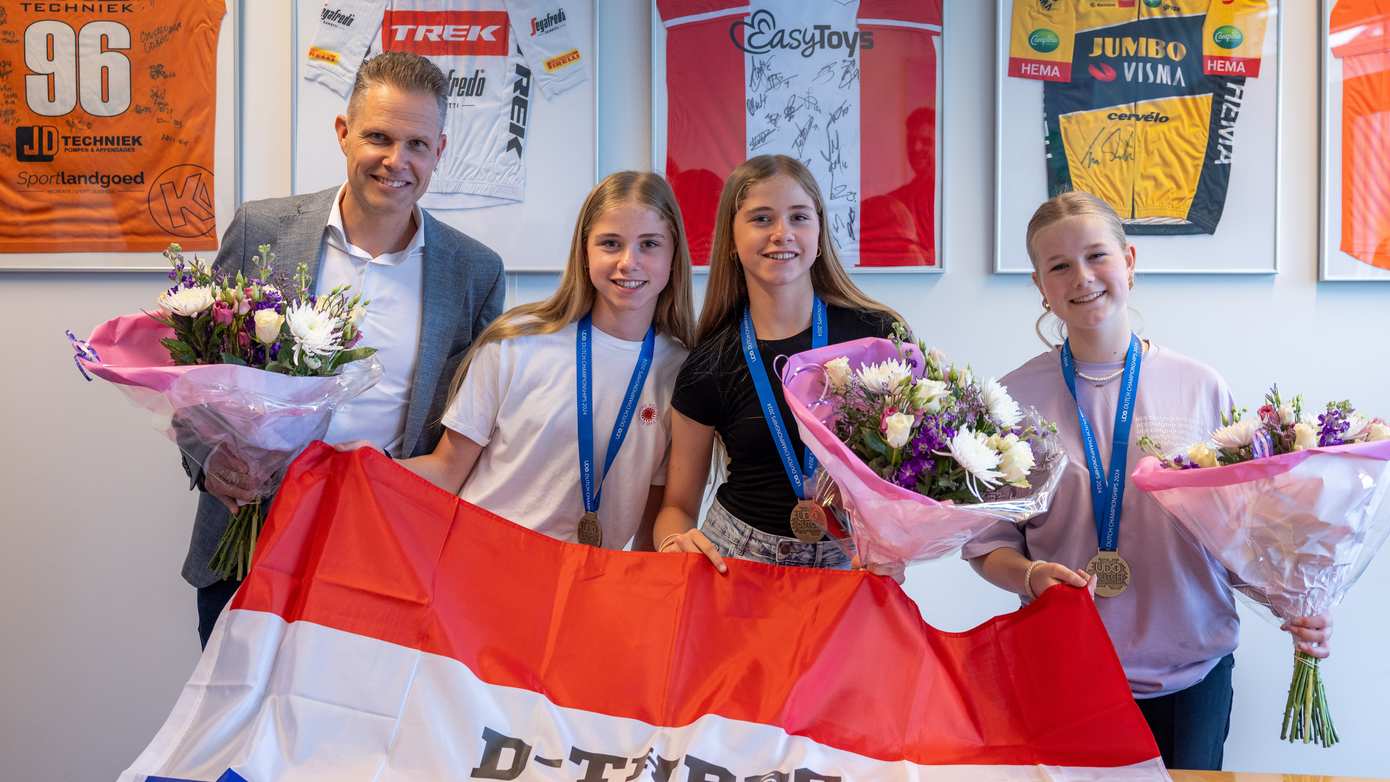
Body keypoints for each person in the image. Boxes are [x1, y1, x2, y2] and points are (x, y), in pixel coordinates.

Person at [962, 192, 1331, 770]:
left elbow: (1238, 536)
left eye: (1096, 256)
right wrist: (1031, 575)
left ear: (1129, 261)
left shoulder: (1201, 387)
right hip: (1065, 671)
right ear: (1040, 285)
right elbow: (987, 544)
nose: (1082, 278)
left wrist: (1295, 603)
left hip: (1192, 671)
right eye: (1059, 266)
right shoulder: (1010, 402)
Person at [183, 51, 505, 648]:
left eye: (416, 143)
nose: (396, 160)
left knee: (358, 739)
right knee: (236, 740)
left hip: (388, 558)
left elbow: (474, 433)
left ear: (439, 151)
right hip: (248, 545)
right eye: (379, 137)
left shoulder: (475, 273)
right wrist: (210, 461)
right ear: (343, 133)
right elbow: (197, 380)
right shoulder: (262, 231)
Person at [389, 171, 694, 550]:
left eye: (649, 244)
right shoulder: (518, 340)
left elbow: (652, 528)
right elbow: (447, 469)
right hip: (476, 568)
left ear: (673, 254)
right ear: (585, 252)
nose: (628, 262)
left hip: (585, 587)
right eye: (610, 244)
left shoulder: (684, 372)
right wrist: (363, 468)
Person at [653, 154, 902, 571]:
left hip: (855, 565)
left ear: (820, 232)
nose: (782, 233)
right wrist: (674, 544)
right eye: (762, 219)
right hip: (740, 563)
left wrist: (894, 548)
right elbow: (676, 507)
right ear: (731, 241)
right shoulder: (708, 363)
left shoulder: (878, 337)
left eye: (799, 217)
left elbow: (911, 478)